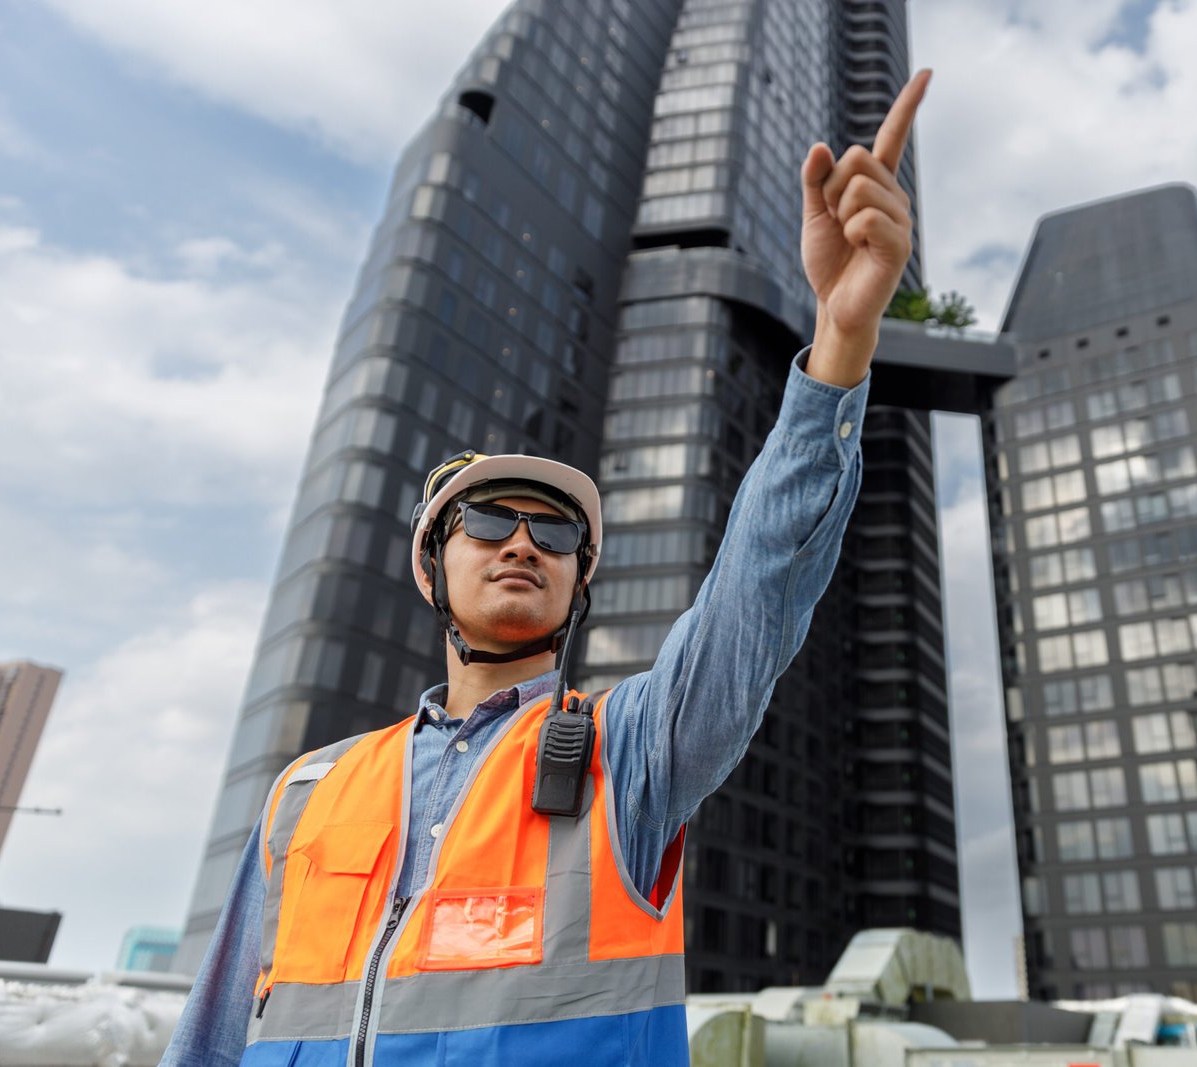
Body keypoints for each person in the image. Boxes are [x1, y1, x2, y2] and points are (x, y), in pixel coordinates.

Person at [162, 69, 930, 1066]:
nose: (525, 541)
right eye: (489, 519)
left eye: (557, 534)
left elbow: (762, 584)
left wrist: (839, 340)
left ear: (577, 584)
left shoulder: (634, 755)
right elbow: (215, 1039)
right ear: (434, 565)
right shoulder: (308, 791)